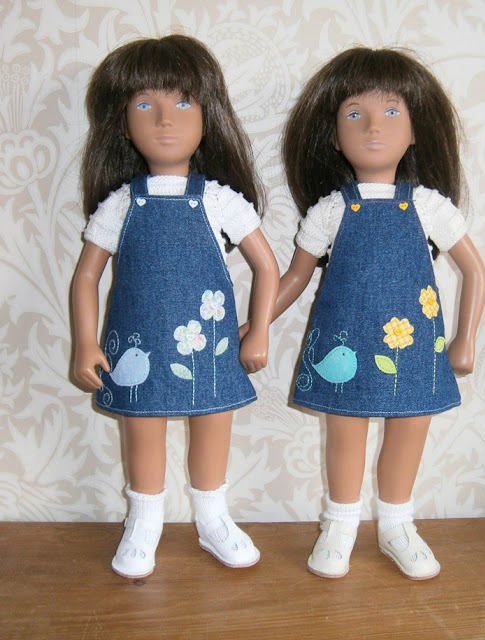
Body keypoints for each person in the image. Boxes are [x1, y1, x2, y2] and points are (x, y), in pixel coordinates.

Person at [274, 46, 485, 579]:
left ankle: (397, 525)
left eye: (392, 111)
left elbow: (475, 271)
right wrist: (256, 325)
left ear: (415, 130)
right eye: (355, 114)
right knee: (345, 433)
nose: (374, 127)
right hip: (344, 344)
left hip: (414, 346)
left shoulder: (428, 206)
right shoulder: (331, 210)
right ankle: (340, 524)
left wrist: (465, 338)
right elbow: (296, 277)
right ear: (333, 134)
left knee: (409, 429)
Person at [72, 34, 279, 579]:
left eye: (183, 102)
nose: (165, 118)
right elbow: (87, 275)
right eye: (145, 104)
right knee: (143, 427)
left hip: (208, 343)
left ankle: (213, 517)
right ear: (123, 125)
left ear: (208, 117)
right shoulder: (121, 203)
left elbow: (267, 266)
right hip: (137, 342)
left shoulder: (218, 200)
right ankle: (144, 520)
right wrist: (86, 342)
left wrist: (259, 329)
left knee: (212, 423)